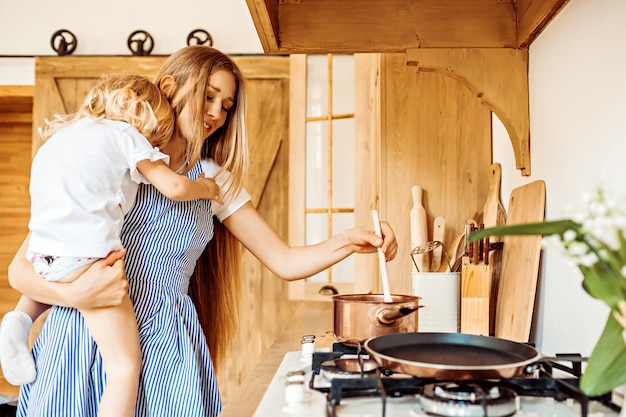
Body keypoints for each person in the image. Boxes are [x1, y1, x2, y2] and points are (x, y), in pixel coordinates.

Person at [7, 45, 398, 417]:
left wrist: (349, 239)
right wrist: (74, 293)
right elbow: (22, 271)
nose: (216, 113)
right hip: (77, 333)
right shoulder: (109, 158)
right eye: (209, 97)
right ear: (168, 88)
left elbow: (286, 260)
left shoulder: (213, 181)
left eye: (226, 107)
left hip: (165, 348)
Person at [0, 73, 223, 417]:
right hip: (90, 258)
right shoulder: (125, 135)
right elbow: (175, 189)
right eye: (153, 133)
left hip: (46, 252)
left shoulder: (63, 136)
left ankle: (20, 322)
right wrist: (207, 188)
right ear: (133, 105)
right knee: (123, 367)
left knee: (60, 270)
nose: (152, 142)